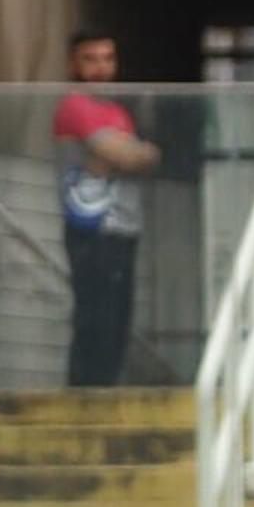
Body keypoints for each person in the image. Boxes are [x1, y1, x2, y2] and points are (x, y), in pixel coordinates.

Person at [55, 32, 155, 388]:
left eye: (107, 58)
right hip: (91, 224)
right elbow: (127, 154)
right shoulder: (75, 105)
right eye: (91, 59)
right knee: (95, 314)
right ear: (73, 63)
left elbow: (146, 156)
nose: (101, 68)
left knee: (119, 317)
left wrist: (124, 155)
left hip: (124, 224)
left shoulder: (116, 110)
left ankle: (107, 386)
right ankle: (85, 388)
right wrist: (124, 153)